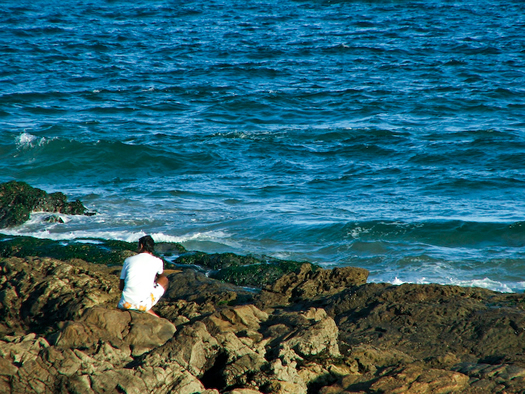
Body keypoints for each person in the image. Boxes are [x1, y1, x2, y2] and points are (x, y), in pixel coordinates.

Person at [117, 235, 169, 317]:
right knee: (164, 280)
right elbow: (161, 276)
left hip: (124, 303)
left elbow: (121, 286)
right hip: (142, 305)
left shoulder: (128, 260)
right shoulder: (158, 261)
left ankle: (137, 304)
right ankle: (147, 307)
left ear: (141, 246)